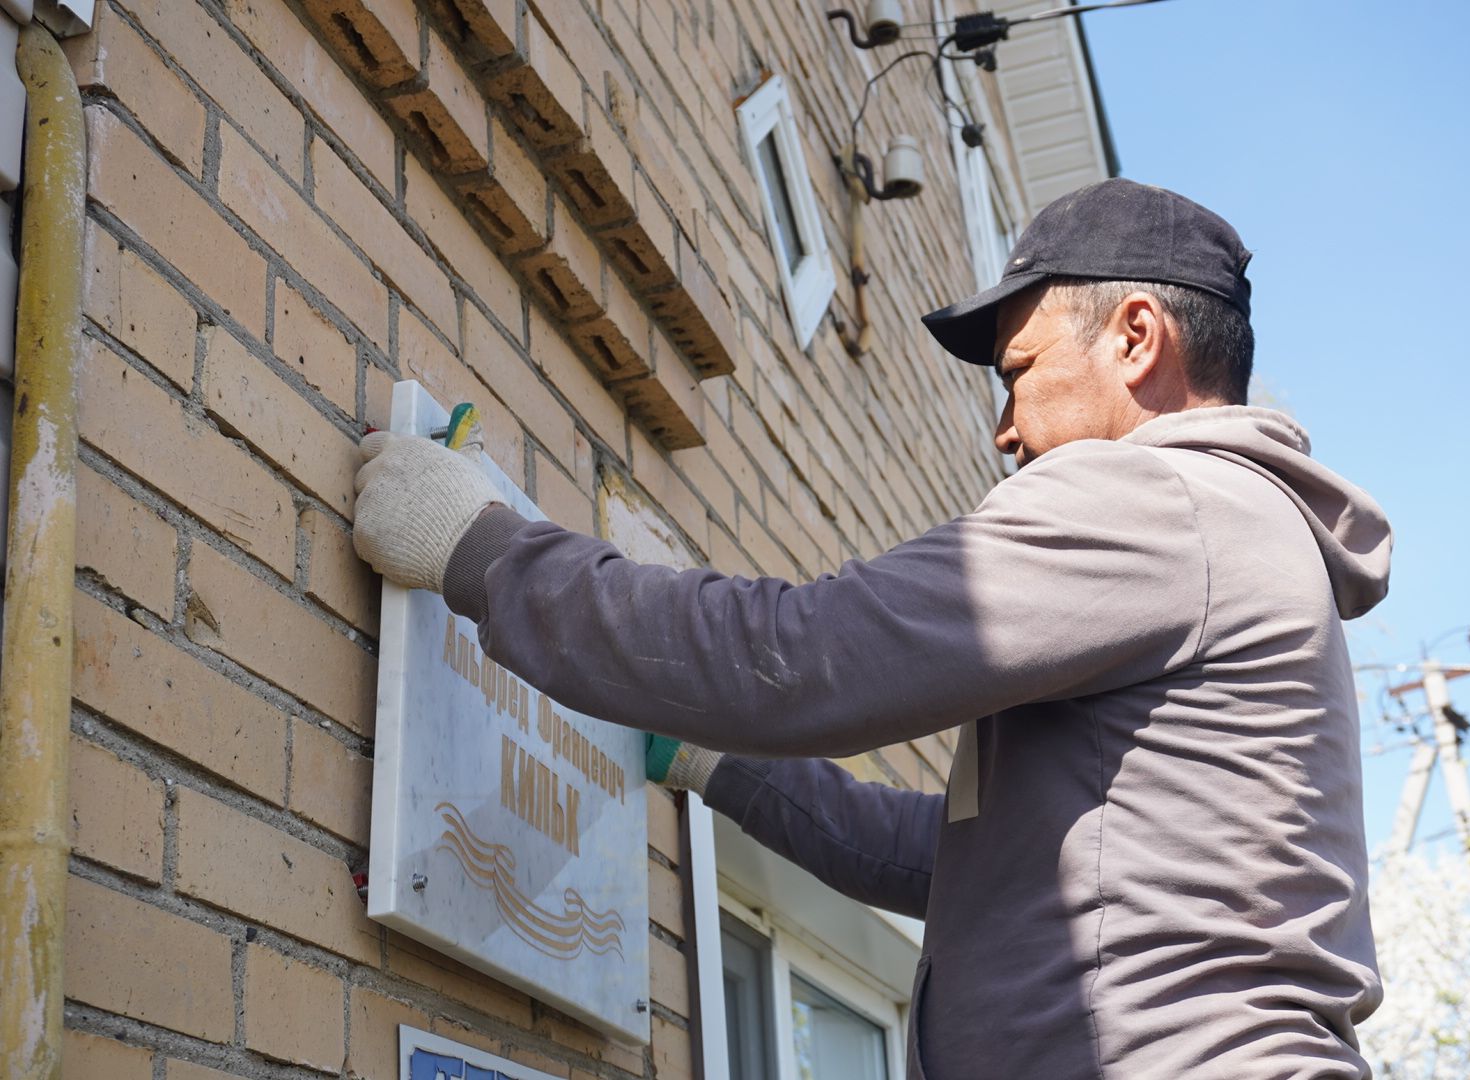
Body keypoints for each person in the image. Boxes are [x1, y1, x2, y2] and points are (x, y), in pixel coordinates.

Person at [353, 178, 1391, 1078]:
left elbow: (799, 658)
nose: (1001, 426)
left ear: (1133, 338)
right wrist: (721, 767)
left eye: (1017, 371)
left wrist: (479, 553)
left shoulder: (1154, 503)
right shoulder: (1217, 537)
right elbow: (948, 860)